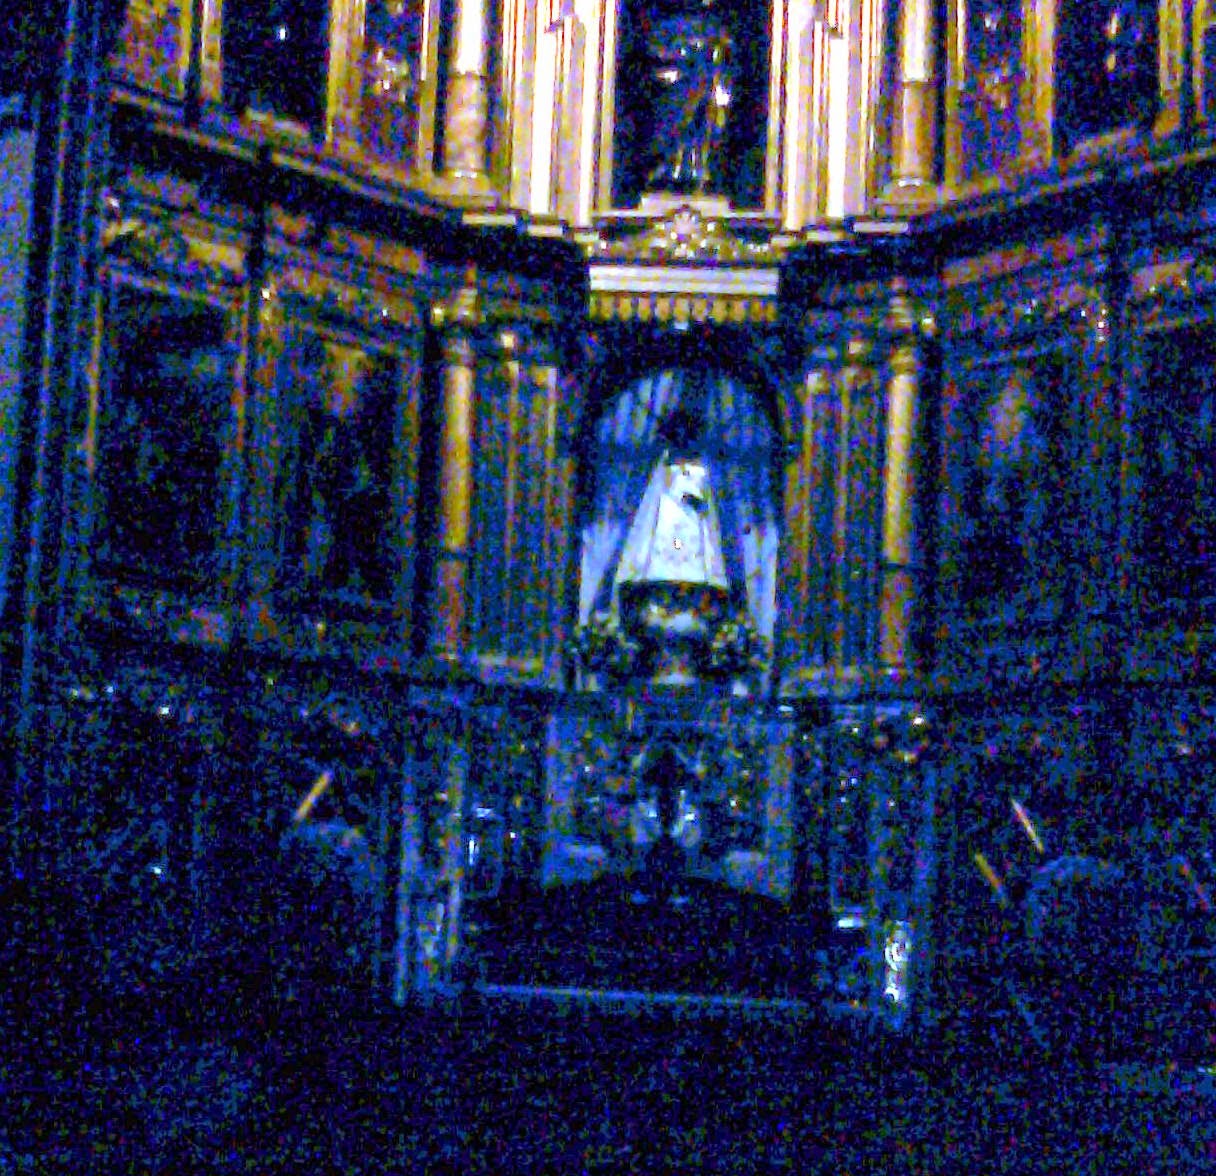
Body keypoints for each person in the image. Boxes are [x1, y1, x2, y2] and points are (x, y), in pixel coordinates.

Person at [643, 4, 734, 195]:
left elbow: (722, 57)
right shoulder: (667, 25)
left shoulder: (713, 26)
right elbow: (656, 53)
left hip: (704, 88)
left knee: (701, 131)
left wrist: (720, 85)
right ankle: (671, 169)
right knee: (675, 128)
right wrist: (674, 59)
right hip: (678, 90)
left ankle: (696, 170)